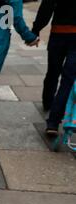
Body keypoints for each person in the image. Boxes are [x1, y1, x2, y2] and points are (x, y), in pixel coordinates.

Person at [31, 0, 76, 136]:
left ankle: (48, 101)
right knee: (67, 81)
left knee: (53, 72)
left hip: (58, 33)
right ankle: (53, 122)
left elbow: (47, 8)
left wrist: (36, 29)